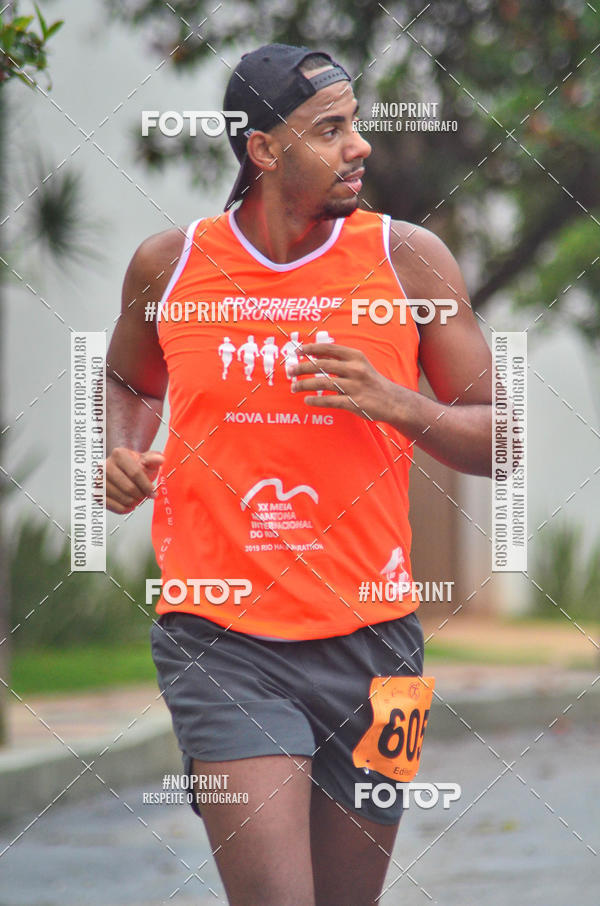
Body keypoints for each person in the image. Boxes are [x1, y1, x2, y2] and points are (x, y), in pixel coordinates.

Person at [105, 43, 492, 906]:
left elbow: (504, 437)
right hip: (221, 641)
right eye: (331, 129)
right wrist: (122, 450)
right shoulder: (170, 266)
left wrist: (398, 404)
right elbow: (130, 378)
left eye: (355, 124)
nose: (359, 145)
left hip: (382, 648)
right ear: (265, 151)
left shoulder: (409, 260)